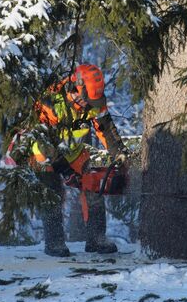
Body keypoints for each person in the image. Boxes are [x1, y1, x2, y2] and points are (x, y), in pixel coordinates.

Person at [30, 63, 129, 257]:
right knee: (53, 193)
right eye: (86, 100)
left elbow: (105, 127)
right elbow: (41, 142)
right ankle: (55, 242)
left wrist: (119, 151)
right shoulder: (50, 102)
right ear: (75, 88)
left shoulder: (95, 101)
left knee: (94, 185)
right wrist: (64, 168)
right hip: (44, 155)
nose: (89, 105)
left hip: (74, 152)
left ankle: (96, 238)